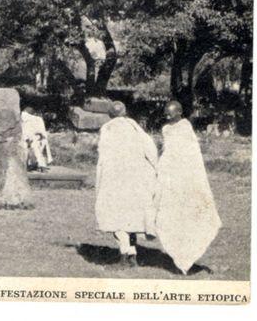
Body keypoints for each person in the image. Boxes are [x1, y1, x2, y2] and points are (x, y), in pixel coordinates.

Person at [155, 101, 222, 274]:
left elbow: (191, 156)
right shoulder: (166, 129)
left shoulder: (185, 128)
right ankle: (178, 259)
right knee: (170, 217)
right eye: (166, 114)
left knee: (189, 217)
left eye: (171, 114)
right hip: (169, 180)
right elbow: (166, 152)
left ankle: (187, 258)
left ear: (179, 113)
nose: (168, 117)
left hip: (185, 179)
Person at [95, 101, 158, 266]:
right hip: (136, 179)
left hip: (115, 179)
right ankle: (132, 254)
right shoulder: (135, 127)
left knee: (116, 215)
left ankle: (124, 256)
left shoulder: (107, 129)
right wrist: (154, 171)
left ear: (110, 114)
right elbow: (151, 151)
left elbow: (103, 155)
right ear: (124, 112)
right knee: (130, 216)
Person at [21, 107, 53, 171]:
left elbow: (41, 133)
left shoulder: (35, 119)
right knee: (32, 148)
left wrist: (38, 137)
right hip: (28, 139)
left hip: (34, 139)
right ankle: (37, 165)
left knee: (35, 147)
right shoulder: (35, 119)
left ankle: (38, 165)